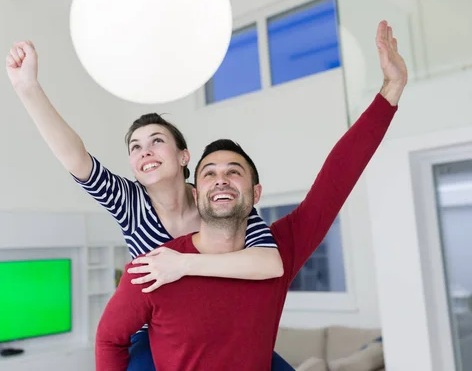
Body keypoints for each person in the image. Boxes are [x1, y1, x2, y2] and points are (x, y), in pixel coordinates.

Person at [94, 19, 407, 370]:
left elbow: (337, 177)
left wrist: (390, 91)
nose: (221, 179)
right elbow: (110, 339)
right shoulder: (156, 266)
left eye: (234, 172)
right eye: (209, 173)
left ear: (255, 193)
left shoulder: (279, 250)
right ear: (196, 194)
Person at [6, 25, 293, 369]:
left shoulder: (217, 198)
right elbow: (75, 157)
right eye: (136, 147)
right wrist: (28, 88)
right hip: (156, 332)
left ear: (184, 156)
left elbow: (268, 262)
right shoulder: (130, 201)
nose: (145, 151)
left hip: (220, 324)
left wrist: (185, 265)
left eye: (157, 140)